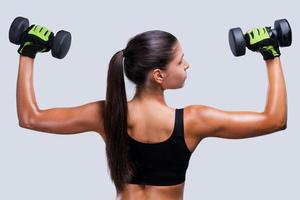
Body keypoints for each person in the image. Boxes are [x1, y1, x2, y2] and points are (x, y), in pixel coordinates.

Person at [16, 25, 287, 200]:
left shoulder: (106, 114)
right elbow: (275, 120)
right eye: (181, 60)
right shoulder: (195, 120)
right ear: (159, 75)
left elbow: (30, 118)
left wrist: (28, 52)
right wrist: (270, 54)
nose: (188, 65)